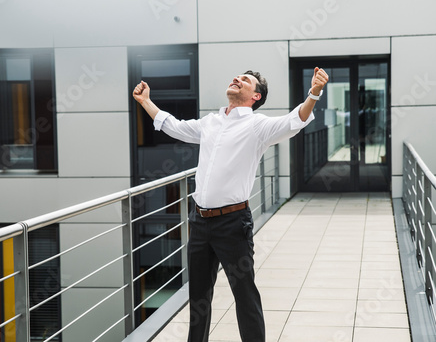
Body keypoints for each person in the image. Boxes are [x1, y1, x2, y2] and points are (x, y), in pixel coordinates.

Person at [133, 67, 329, 342]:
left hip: (233, 224)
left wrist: (314, 93)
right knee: (199, 297)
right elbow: (174, 126)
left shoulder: (257, 126)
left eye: (245, 80)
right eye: (237, 76)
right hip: (199, 222)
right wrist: (146, 102)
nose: (237, 79)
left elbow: (294, 120)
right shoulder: (210, 122)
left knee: (245, 296)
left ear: (255, 96)